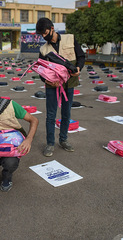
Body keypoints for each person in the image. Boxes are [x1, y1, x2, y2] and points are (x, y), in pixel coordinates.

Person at [35, 17, 85, 157]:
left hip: (69, 84)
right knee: (51, 115)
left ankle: (63, 140)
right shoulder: (43, 49)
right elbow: (41, 71)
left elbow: (81, 56)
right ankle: (50, 143)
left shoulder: (70, 39)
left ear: (52, 28)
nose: (44, 37)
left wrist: (78, 68)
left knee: (66, 113)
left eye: (45, 33)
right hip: (52, 86)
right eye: (41, 35)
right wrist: (48, 81)